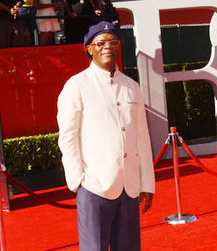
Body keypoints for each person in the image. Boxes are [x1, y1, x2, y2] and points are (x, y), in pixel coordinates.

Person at [57, 21, 155, 251]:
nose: (107, 46)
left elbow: (142, 137)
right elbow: (68, 137)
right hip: (95, 185)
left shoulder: (132, 87)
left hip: (129, 187)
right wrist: (78, 181)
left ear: (119, 46)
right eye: (100, 43)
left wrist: (147, 182)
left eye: (113, 42)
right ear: (89, 48)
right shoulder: (76, 85)